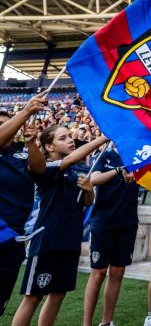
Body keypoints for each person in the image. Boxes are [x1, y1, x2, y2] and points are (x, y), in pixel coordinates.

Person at [12, 126, 108, 326]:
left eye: (70, 137)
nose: (70, 141)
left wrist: (89, 190)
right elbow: (70, 159)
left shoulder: (73, 172)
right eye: (63, 138)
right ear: (49, 145)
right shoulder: (48, 167)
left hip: (69, 241)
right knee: (33, 296)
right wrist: (104, 138)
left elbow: (86, 202)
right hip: (48, 241)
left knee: (57, 295)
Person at [0, 92, 48, 318]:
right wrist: (27, 110)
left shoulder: (20, 155)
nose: (8, 127)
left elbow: (39, 171)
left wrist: (30, 144)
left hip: (12, 240)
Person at [83, 143, 139, 326]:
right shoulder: (104, 155)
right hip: (103, 221)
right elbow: (94, 179)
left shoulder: (138, 156)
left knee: (118, 271)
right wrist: (118, 170)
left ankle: (107, 321)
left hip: (128, 221)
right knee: (98, 272)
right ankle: (87, 323)